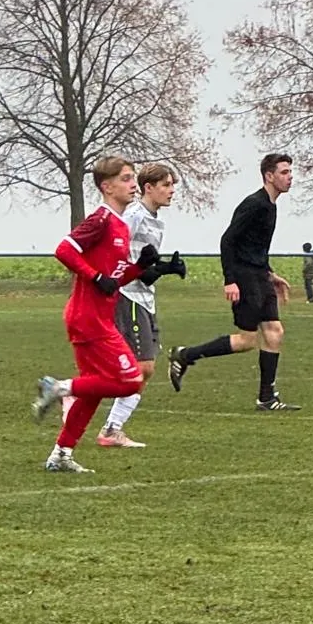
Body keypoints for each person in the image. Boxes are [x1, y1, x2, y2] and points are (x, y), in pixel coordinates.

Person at [31, 155, 185, 473]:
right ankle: (58, 387)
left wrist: (140, 266)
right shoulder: (101, 219)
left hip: (98, 316)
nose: (133, 184)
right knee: (129, 380)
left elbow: (114, 280)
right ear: (107, 186)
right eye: (126, 179)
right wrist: (94, 276)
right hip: (88, 318)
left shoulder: (120, 225)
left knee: (94, 390)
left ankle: (61, 454)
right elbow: (64, 250)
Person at [167, 154, 298, 410]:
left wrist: (271, 274)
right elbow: (227, 241)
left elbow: (255, 247)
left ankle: (267, 398)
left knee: (275, 332)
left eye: (290, 172)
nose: (290, 177)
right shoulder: (254, 204)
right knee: (247, 341)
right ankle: (185, 355)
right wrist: (230, 280)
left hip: (260, 276)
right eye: (284, 172)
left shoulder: (271, 206)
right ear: (269, 176)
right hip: (245, 277)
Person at [97, 162, 179, 449]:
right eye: (166, 185)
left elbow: (143, 260)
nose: (171, 191)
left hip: (145, 297)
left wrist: (164, 268)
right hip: (128, 296)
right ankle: (82, 400)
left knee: (143, 368)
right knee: (141, 366)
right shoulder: (133, 216)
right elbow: (116, 250)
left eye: (172, 185)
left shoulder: (156, 220)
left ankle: (109, 424)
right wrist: (131, 273)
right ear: (149, 188)